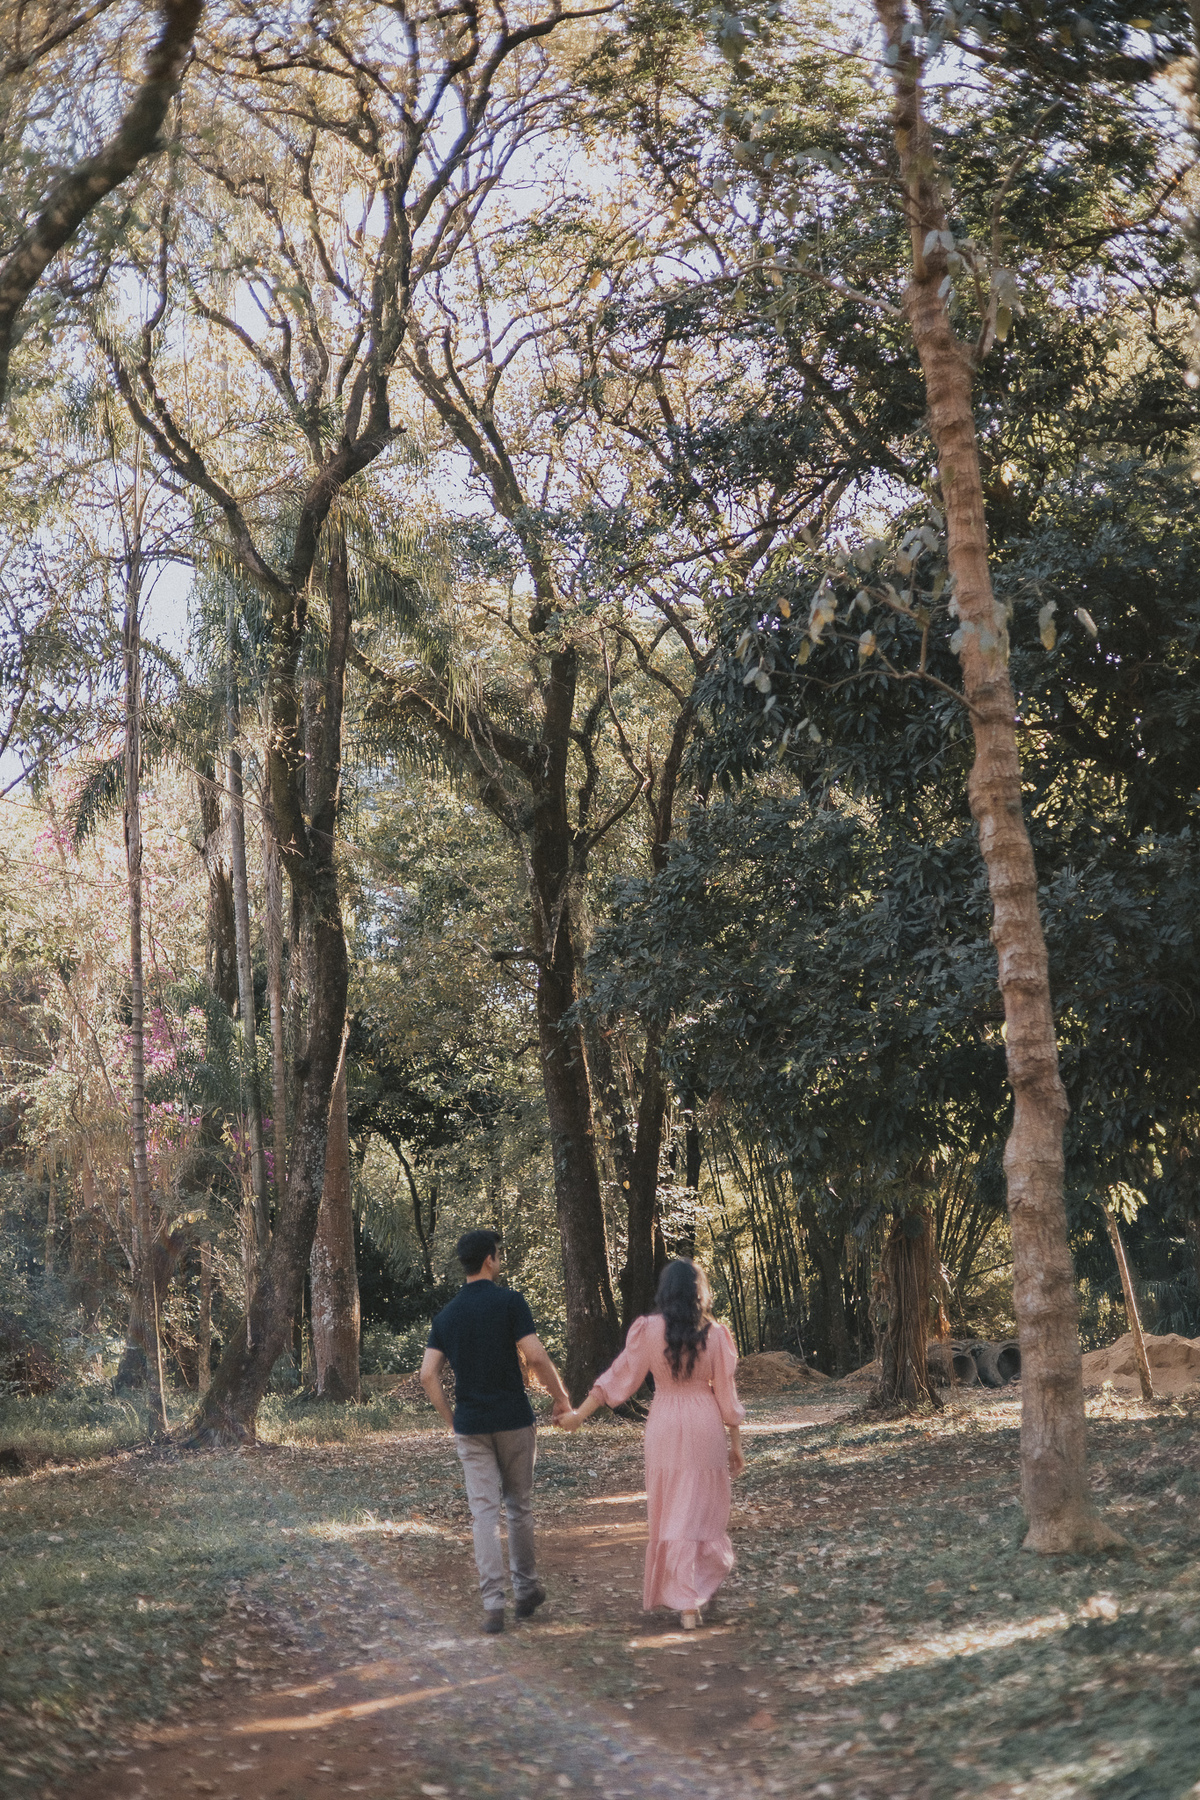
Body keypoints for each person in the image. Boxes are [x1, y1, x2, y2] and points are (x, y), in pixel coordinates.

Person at [556, 1258, 746, 1630]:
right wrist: (736, 1444)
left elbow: (618, 1376)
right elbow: (727, 1395)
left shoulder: (648, 1330)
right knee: (703, 1509)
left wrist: (579, 1415)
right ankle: (693, 1594)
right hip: (704, 1424)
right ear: (699, 1292)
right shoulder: (715, 1334)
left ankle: (686, 1600)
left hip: (664, 1424)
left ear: (665, 1291)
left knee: (673, 1506)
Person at [420, 1228, 571, 1635]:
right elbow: (535, 1355)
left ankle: (492, 1605)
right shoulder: (510, 1302)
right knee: (518, 1505)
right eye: (498, 1254)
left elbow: (427, 1374)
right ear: (490, 1259)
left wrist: (452, 1419)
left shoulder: (446, 1316)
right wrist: (560, 1397)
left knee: (483, 1513)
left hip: (472, 1424)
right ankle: (526, 1590)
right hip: (513, 1419)